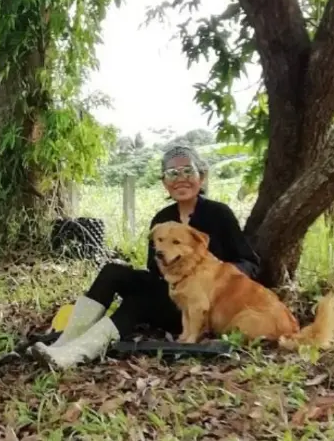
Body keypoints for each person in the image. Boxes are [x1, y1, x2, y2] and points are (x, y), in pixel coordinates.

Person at [31, 144, 261, 369]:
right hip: (168, 287)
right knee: (113, 272)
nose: (180, 178)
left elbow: (249, 262)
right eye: (172, 173)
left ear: (201, 176)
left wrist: (218, 277)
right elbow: (154, 267)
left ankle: (77, 353)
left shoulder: (219, 214)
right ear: (165, 183)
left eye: (187, 171)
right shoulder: (162, 218)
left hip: (197, 304)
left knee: (138, 302)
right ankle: (64, 342)